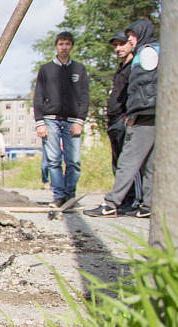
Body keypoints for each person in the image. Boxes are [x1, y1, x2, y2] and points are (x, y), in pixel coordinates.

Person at [85, 18, 158, 219]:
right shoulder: (157, 51)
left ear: (142, 33)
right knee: (150, 164)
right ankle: (149, 204)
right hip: (157, 115)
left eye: (133, 35)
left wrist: (133, 113)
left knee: (128, 160)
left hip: (145, 115)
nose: (131, 39)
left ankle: (111, 204)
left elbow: (142, 87)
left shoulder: (146, 52)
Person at [33, 31, 90, 208]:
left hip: (72, 120)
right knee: (54, 159)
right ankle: (58, 195)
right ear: (56, 46)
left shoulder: (79, 69)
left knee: (74, 160)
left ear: (71, 45)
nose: (64, 47)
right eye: (60, 44)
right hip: (50, 120)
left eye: (67, 44)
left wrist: (79, 120)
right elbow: (39, 96)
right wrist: (40, 122)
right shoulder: (46, 69)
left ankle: (70, 194)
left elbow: (85, 96)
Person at [104, 30, 141, 213]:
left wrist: (130, 114)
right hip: (114, 120)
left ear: (130, 44)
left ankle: (135, 200)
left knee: (129, 162)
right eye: (115, 45)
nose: (118, 48)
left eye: (121, 44)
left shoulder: (135, 66)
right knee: (117, 162)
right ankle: (124, 200)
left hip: (125, 119)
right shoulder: (121, 69)